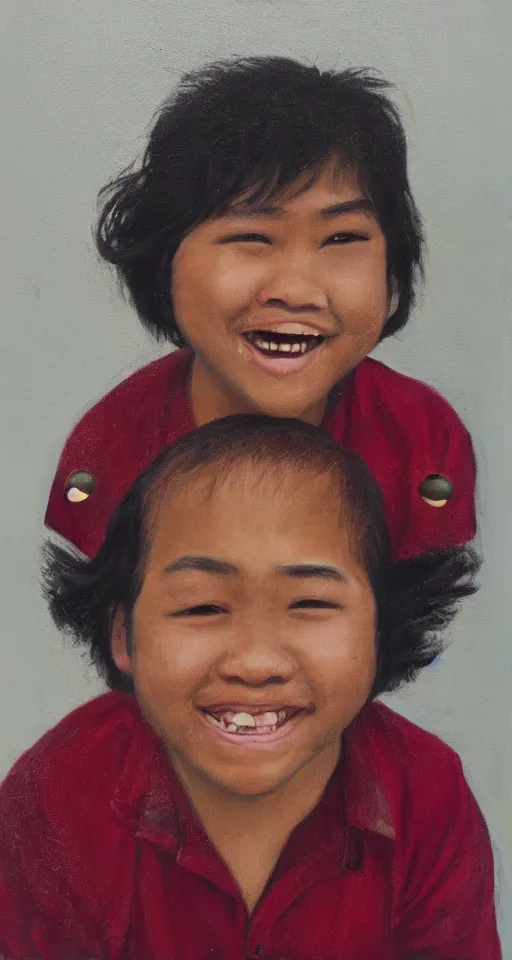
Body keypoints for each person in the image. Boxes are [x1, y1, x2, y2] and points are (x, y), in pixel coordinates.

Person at [1, 416, 499, 959]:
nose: (257, 663)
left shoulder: (427, 793)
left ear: (381, 631)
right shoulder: (56, 794)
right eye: (202, 606)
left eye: (310, 604)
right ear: (124, 636)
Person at [45, 56, 476, 562]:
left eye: (342, 238)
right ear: (163, 260)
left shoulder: (422, 436)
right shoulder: (110, 446)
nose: (296, 292)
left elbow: (420, 626)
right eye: (251, 237)